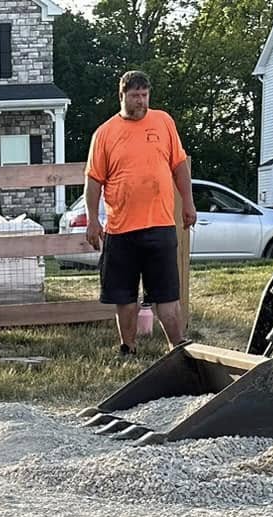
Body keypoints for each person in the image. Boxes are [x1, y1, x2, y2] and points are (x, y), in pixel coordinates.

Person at [83, 70, 196, 356]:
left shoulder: (163, 122)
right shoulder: (105, 133)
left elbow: (179, 165)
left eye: (145, 95)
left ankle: (178, 348)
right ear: (121, 96)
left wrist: (188, 202)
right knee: (124, 296)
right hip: (121, 229)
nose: (141, 101)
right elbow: (93, 180)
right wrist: (93, 220)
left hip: (160, 225)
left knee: (167, 294)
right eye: (135, 96)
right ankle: (128, 348)